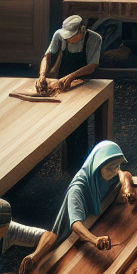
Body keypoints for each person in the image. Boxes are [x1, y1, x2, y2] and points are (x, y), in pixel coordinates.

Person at [36, 15, 103, 167]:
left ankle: (82, 165)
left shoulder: (93, 39)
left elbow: (92, 65)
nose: (68, 40)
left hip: (85, 83)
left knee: (80, 124)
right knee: (63, 121)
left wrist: (72, 76)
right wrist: (42, 75)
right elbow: (47, 56)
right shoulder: (60, 36)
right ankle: (67, 165)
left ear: (82, 30)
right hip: (63, 84)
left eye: (72, 37)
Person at [52, 140, 137, 248]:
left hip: (97, 222)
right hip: (69, 239)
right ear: (97, 166)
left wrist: (126, 190)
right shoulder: (77, 190)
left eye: (117, 166)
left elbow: (124, 174)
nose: (114, 172)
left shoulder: (110, 174)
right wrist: (95, 240)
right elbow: (75, 224)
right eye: (109, 169)